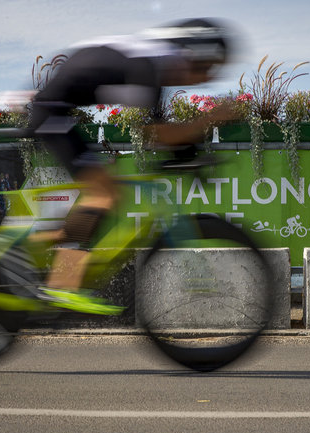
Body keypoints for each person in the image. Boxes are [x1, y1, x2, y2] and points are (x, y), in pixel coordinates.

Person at [29, 18, 238, 296]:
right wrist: (211, 119)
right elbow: (160, 134)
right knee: (103, 194)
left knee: (105, 194)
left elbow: (165, 134)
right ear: (191, 55)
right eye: (208, 69)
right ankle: (59, 286)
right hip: (51, 113)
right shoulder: (148, 66)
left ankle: (44, 255)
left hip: (58, 111)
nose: (208, 78)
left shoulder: (152, 61)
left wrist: (188, 155)